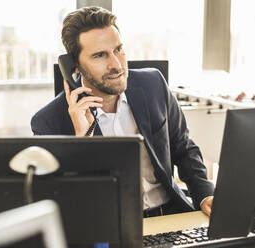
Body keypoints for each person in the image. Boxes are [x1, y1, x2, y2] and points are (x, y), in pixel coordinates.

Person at [31, 6, 214, 217]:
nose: (116, 65)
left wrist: (204, 194)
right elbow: (65, 202)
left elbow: (183, 148)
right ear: (75, 66)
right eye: (100, 55)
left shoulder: (153, 84)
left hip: (170, 214)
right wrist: (83, 140)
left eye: (118, 49)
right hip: (109, 227)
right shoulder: (49, 122)